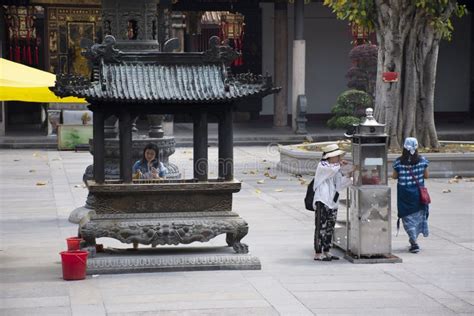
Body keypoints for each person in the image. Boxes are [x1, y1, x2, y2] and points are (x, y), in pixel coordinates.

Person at [313, 143, 353, 261]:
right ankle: (318, 252)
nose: (339, 158)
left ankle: (327, 250)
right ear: (330, 156)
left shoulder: (336, 168)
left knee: (330, 226)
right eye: (337, 156)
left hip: (333, 200)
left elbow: (339, 184)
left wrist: (350, 175)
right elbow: (330, 170)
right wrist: (340, 165)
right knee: (321, 226)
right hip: (322, 199)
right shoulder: (323, 165)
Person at [392, 137, 429, 253]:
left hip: (404, 194)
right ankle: (414, 240)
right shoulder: (422, 160)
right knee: (418, 216)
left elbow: (394, 176)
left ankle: (413, 240)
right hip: (418, 194)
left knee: (407, 217)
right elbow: (426, 176)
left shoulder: (398, 161)